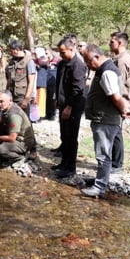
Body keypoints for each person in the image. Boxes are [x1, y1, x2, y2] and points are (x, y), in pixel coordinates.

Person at [79, 44, 130, 198]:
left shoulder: (107, 72)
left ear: (97, 57)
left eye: (89, 61)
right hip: (106, 118)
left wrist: (124, 109)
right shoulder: (106, 69)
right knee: (104, 153)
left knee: (103, 155)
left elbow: (116, 97)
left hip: (105, 119)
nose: (88, 65)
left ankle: (99, 187)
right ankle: (100, 180)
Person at [53, 37, 87, 179]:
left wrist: (69, 107)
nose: (61, 55)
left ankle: (70, 167)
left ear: (71, 49)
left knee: (71, 136)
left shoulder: (77, 65)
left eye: (63, 52)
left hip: (73, 106)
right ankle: (64, 163)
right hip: (62, 104)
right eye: (59, 52)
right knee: (64, 135)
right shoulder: (62, 63)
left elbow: (78, 89)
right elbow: (59, 84)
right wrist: (57, 100)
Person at [109, 32, 130, 173]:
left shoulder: (122, 61)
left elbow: (118, 84)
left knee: (116, 132)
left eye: (112, 42)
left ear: (120, 43)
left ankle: (116, 164)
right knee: (115, 131)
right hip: (122, 100)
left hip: (121, 100)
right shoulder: (121, 58)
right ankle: (115, 162)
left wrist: (121, 105)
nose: (109, 44)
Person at [0, 90, 37, 167]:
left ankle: (20, 158)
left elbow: (11, 138)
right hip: (17, 136)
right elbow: (3, 118)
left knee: (2, 149)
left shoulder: (14, 115)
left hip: (24, 142)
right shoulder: (9, 107)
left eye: (1, 101)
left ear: (10, 100)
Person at [6, 40, 36, 117]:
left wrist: (26, 99)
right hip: (11, 96)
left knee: (24, 120)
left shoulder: (29, 61)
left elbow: (31, 82)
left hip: (21, 97)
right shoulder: (12, 61)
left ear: (17, 50)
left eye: (11, 50)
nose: (10, 52)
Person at [33, 46, 50, 121]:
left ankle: (39, 115)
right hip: (37, 83)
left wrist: (36, 63)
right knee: (36, 100)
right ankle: (36, 115)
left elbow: (43, 63)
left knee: (40, 101)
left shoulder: (43, 59)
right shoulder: (37, 60)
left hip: (41, 83)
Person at [44, 47, 58, 121]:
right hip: (45, 83)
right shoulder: (43, 61)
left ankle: (52, 114)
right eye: (45, 53)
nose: (46, 55)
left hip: (53, 83)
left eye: (47, 53)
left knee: (52, 99)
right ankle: (47, 113)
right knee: (46, 99)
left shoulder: (57, 61)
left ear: (51, 52)